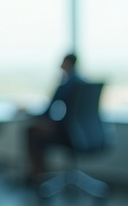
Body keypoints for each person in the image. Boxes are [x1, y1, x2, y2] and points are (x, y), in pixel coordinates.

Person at [25, 53, 84, 183]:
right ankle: (40, 173)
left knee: (32, 131)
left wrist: (35, 115)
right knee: (38, 131)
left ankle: (38, 174)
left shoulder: (66, 85)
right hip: (84, 134)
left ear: (67, 63)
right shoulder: (83, 83)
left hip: (68, 133)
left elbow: (49, 110)